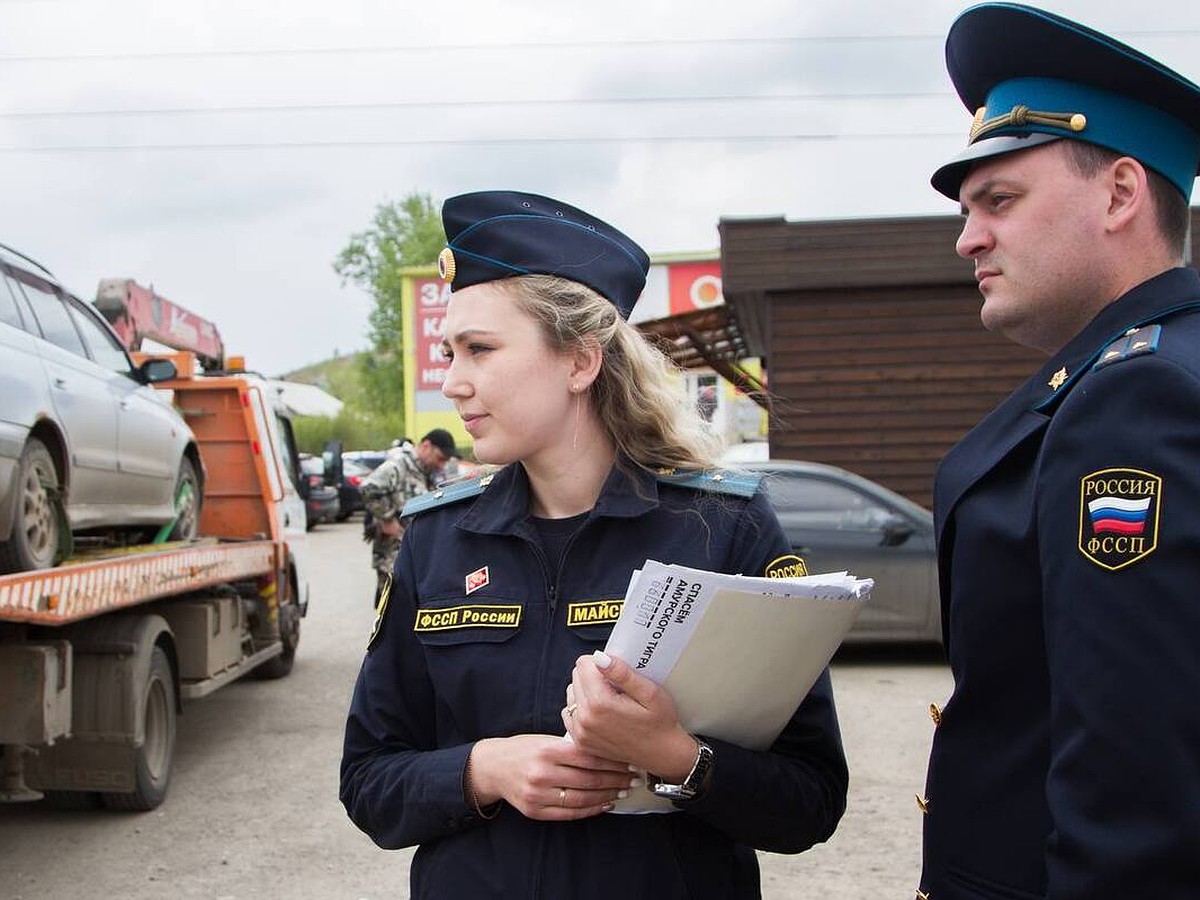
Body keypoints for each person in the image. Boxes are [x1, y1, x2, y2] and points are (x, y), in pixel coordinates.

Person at [340, 190, 848, 898]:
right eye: (449, 352)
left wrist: (674, 756)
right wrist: (485, 768)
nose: (453, 382)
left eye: (480, 349)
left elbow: (810, 800)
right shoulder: (437, 540)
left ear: (580, 362)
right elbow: (367, 780)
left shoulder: (723, 528)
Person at [919, 5, 1200, 898]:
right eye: (968, 210)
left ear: (1120, 194)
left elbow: (1132, 773)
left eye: (1000, 200)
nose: (968, 237)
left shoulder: (1132, 399)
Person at [359, 428, 456, 607]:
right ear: (426, 446)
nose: (442, 464)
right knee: (392, 612)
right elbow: (368, 488)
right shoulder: (399, 465)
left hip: (413, 556)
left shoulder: (424, 472)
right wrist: (387, 519)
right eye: (441, 458)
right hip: (393, 557)